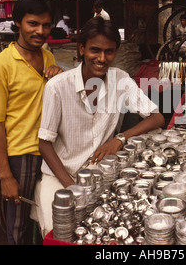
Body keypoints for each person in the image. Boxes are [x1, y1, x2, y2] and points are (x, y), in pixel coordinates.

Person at [33, 16, 165, 237]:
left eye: (109, 51)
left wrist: (120, 138)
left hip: (99, 174)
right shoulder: (58, 87)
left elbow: (157, 117)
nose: (102, 58)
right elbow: (44, 144)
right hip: (60, 176)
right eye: (95, 50)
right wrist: (72, 186)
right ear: (82, 48)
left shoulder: (120, 79)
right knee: (59, 234)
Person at [0, 0, 63, 245]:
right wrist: (5, 176)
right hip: (21, 154)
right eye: (33, 23)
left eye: (46, 24)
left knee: (43, 214)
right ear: (18, 22)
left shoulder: (48, 56)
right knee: (17, 224)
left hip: (48, 148)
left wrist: (59, 75)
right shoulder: (0, 65)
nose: (40, 30)